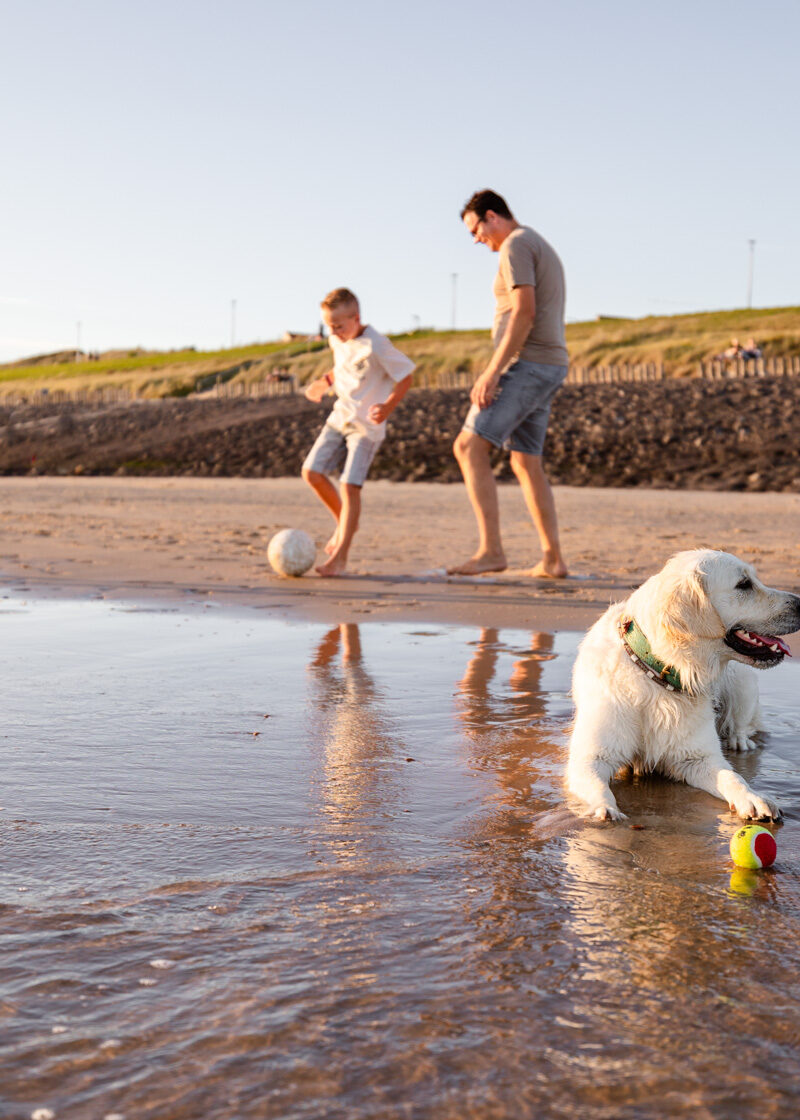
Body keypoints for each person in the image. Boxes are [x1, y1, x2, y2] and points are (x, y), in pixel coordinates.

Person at [449, 189, 568, 578]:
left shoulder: (516, 245)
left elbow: (524, 311)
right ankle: (552, 558)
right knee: (524, 461)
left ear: (491, 216)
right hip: (547, 363)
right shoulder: (534, 241)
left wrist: (493, 371)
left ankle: (491, 551)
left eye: (475, 230)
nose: (476, 239)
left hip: (529, 365)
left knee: (468, 446)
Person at [302, 287, 414, 576]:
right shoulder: (336, 340)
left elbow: (405, 376)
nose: (334, 331)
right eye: (329, 326)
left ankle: (340, 557)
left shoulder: (377, 345)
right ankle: (345, 523)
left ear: (356, 318)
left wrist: (387, 407)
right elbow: (342, 366)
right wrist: (324, 381)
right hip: (340, 417)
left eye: (339, 325)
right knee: (311, 472)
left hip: (367, 428)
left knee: (349, 486)